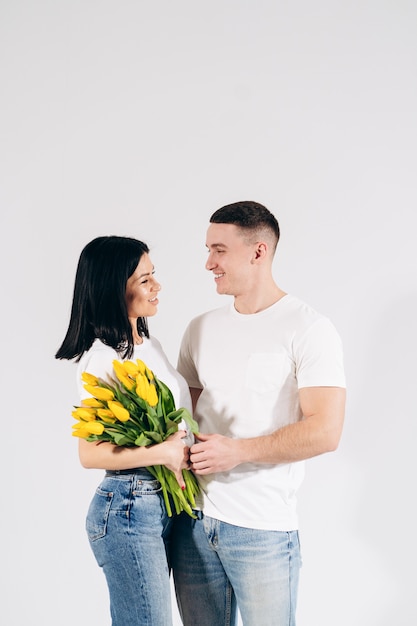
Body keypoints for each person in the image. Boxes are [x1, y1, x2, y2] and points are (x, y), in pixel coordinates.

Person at [170, 201, 346, 626]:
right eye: (208, 250)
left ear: (258, 251)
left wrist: (238, 451)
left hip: (262, 530)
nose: (208, 262)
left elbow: (325, 430)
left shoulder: (308, 328)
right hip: (192, 523)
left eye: (219, 250)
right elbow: (182, 421)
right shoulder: (200, 328)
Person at [55, 235, 192, 626]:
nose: (157, 287)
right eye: (145, 280)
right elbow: (90, 453)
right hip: (129, 506)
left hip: (163, 504)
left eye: (154, 276)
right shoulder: (101, 358)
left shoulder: (148, 344)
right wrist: (163, 453)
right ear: (116, 290)